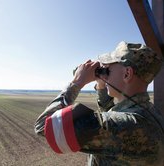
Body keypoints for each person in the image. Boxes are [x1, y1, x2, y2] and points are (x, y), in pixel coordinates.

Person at [34, 41, 164, 166]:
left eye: (108, 69)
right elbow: (113, 114)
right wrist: (102, 85)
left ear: (127, 73)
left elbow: (44, 126)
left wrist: (76, 82)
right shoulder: (152, 112)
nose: (104, 74)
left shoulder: (126, 125)